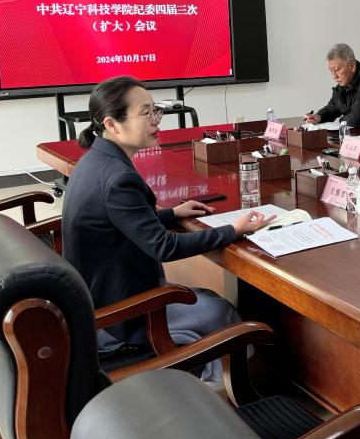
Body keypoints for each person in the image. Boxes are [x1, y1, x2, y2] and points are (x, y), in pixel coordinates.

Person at [62, 76, 269, 382]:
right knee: (220, 310)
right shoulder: (118, 178)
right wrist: (232, 230)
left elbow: (119, 223)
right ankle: (227, 389)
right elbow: (164, 247)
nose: (156, 120)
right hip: (121, 316)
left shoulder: (95, 160)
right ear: (112, 124)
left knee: (206, 298)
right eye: (145, 113)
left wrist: (172, 213)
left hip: (99, 295)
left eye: (155, 110)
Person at [302, 43, 360, 129]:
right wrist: (319, 116)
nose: (334, 75)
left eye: (337, 70)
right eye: (331, 70)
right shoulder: (343, 85)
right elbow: (332, 108)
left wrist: (340, 120)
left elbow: (355, 120)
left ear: (352, 66)